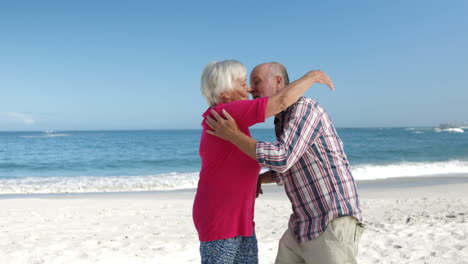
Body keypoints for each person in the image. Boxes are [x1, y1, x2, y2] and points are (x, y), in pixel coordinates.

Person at [205, 62, 364, 264]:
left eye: (256, 82)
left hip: (331, 219)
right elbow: (287, 170)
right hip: (302, 225)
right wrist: (261, 178)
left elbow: (282, 158)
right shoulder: (282, 121)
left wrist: (234, 135)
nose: (252, 89)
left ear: (278, 82)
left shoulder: (304, 108)